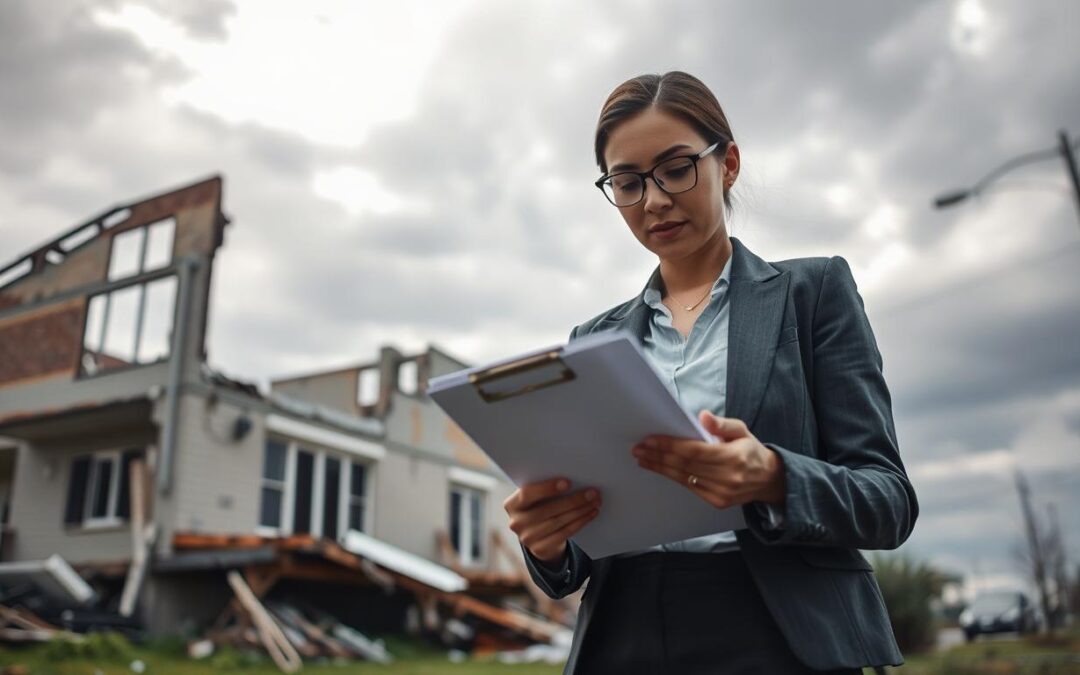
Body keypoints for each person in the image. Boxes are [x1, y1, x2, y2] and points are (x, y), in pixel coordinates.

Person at [503, 71, 918, 674]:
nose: (654, 200)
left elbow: (888, 499)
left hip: (777, 629)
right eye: (627, 182)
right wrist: (547, 541)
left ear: (728, 163)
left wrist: (774, 476)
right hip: (623, 633)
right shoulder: (592, 341)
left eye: (676, 169)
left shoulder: (813, 292)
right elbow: (575, 560)